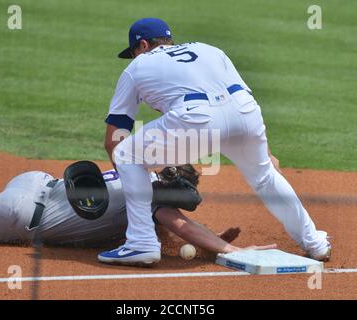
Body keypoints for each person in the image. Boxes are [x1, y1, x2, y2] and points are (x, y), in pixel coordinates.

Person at [99, 17, 331, 265]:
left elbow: (115, 137)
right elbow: (240, 97)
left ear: (143, 45)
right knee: (265, 176)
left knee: (126, 154)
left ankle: (140, 243)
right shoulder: (208, 49)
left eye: (133, 52)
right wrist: (265, 152)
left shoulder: (137, 67)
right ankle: (315, 243)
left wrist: (137, 188)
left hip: (197, 119)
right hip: (246, 115)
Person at [0, 162, 274, 257]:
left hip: (35, 182)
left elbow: (169, 233)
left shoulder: (136, 170)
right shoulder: (155, 197)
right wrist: (230, 250)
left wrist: (209, 240)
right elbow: (182, 226)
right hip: (20, 215)